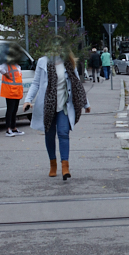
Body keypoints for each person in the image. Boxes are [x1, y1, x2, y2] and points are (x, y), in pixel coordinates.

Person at [22, 48, 90, 179]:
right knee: (50, 134)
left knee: (63, 133)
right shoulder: (42, 62)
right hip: (48, 105)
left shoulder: (68, 63)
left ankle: (65, 166)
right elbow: (35, 83)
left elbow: (77, 85)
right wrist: (28, 100)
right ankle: (53, 164)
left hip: (64, 105)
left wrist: (86, 104)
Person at [0, 59, 24, 136]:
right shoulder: (8, 64)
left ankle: (14, 128)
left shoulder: (17, 66)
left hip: (17, 91)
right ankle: (8, 129)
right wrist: (6, 74)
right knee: (10, 110)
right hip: (10, 90)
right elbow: (0, 69)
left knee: (14, 110)